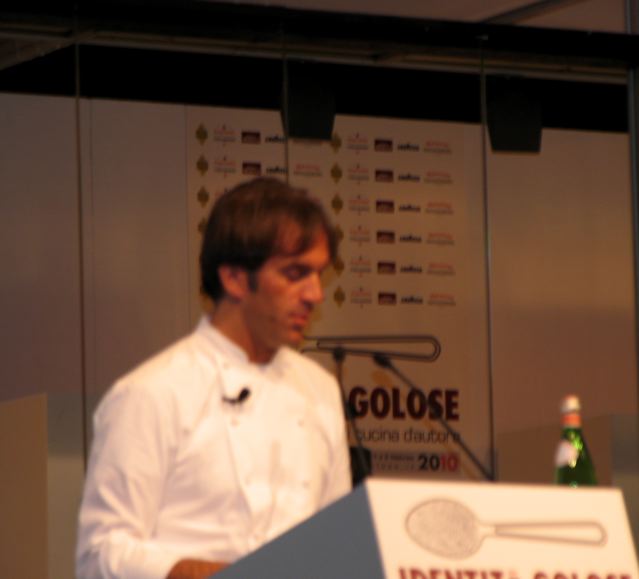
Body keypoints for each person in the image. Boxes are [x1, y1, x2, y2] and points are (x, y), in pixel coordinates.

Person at [76, 177, 352, 579]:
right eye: (295, 274)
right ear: (234, 278)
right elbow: (99, 555)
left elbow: (335, 546)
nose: (315, 294)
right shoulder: (152, 392)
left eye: (318, 275)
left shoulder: (319, 390)